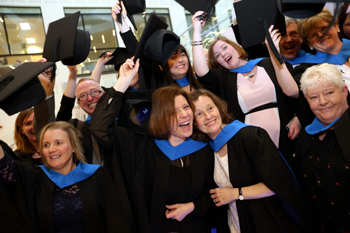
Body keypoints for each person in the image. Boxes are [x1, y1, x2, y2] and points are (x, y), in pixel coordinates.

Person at [90, 58, 215, 233]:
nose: (185, 114)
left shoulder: (204, 148)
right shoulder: (142, 147)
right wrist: (123, 82)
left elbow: (214, 192)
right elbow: (99, 128)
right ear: (161, 117)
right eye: (173, 111)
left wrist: (193, 206)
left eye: (186, 107)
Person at [189, 89, 305, 233]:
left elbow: (280, 183)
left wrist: (236, 193)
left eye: (210, 108)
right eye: (199, 114)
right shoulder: (207, 151)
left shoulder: (250, 137)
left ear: (218, 108)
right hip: (236, 222)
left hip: (267, 220)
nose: (208, 116)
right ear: (193, 123)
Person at [192, 11, 299, 162]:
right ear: (218, 63)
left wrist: (297, 117)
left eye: (224, 47)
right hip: (253, 144)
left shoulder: (268, 63)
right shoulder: (224, 79)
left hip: (287, 136)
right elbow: (202, 72)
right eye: (217, 55)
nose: (222, 54)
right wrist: (196, 31)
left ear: (235, 47)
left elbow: (294, 92)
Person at [0, 121, 132, 232]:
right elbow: (5, 164)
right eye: (46, 145)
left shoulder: (97, 175)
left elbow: (116, 220)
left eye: (58, 143)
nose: (51, 149)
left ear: (73, 147)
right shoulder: (35, 178)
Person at [295, 63, 350, 232]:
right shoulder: (306, 136)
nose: (323, 102)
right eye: (314, 97)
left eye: (329, 93)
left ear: (344, 92)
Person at [112, 1, 202, 93]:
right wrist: (122, 23)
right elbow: (140, 58)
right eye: (173, 57)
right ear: (162, 66)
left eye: (183, 55)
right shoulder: (161, 89)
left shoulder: (202, 82)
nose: (180, 60)